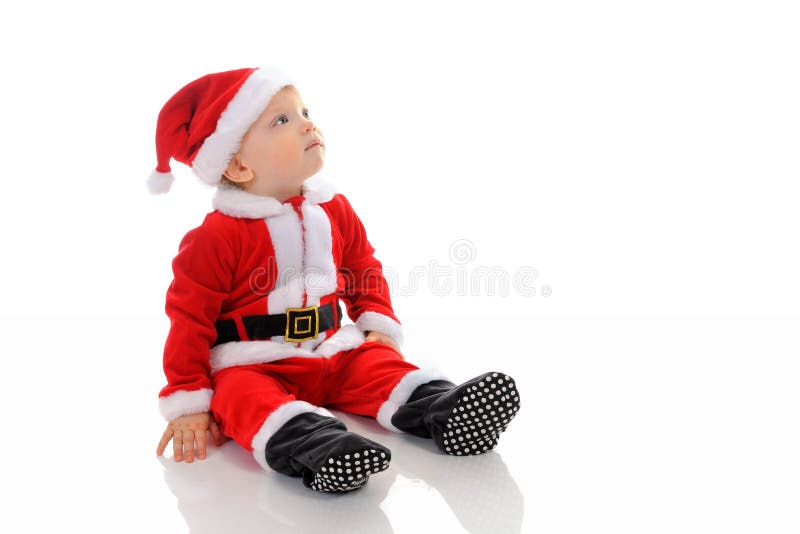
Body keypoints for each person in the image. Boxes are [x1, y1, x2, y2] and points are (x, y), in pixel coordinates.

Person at [150, 66, 521, 493]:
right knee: (239, 397)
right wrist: (188, 400)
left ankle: (444, 410)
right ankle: (317, 447)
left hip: (331, 346)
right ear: (237, 165)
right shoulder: (217, 235)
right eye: (282, 120)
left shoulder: (334, 209)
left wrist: (375, 322)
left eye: (304, 110)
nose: (308, 123)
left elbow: (363, 269)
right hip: (254, 361)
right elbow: (189, 320)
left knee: (378, 365)